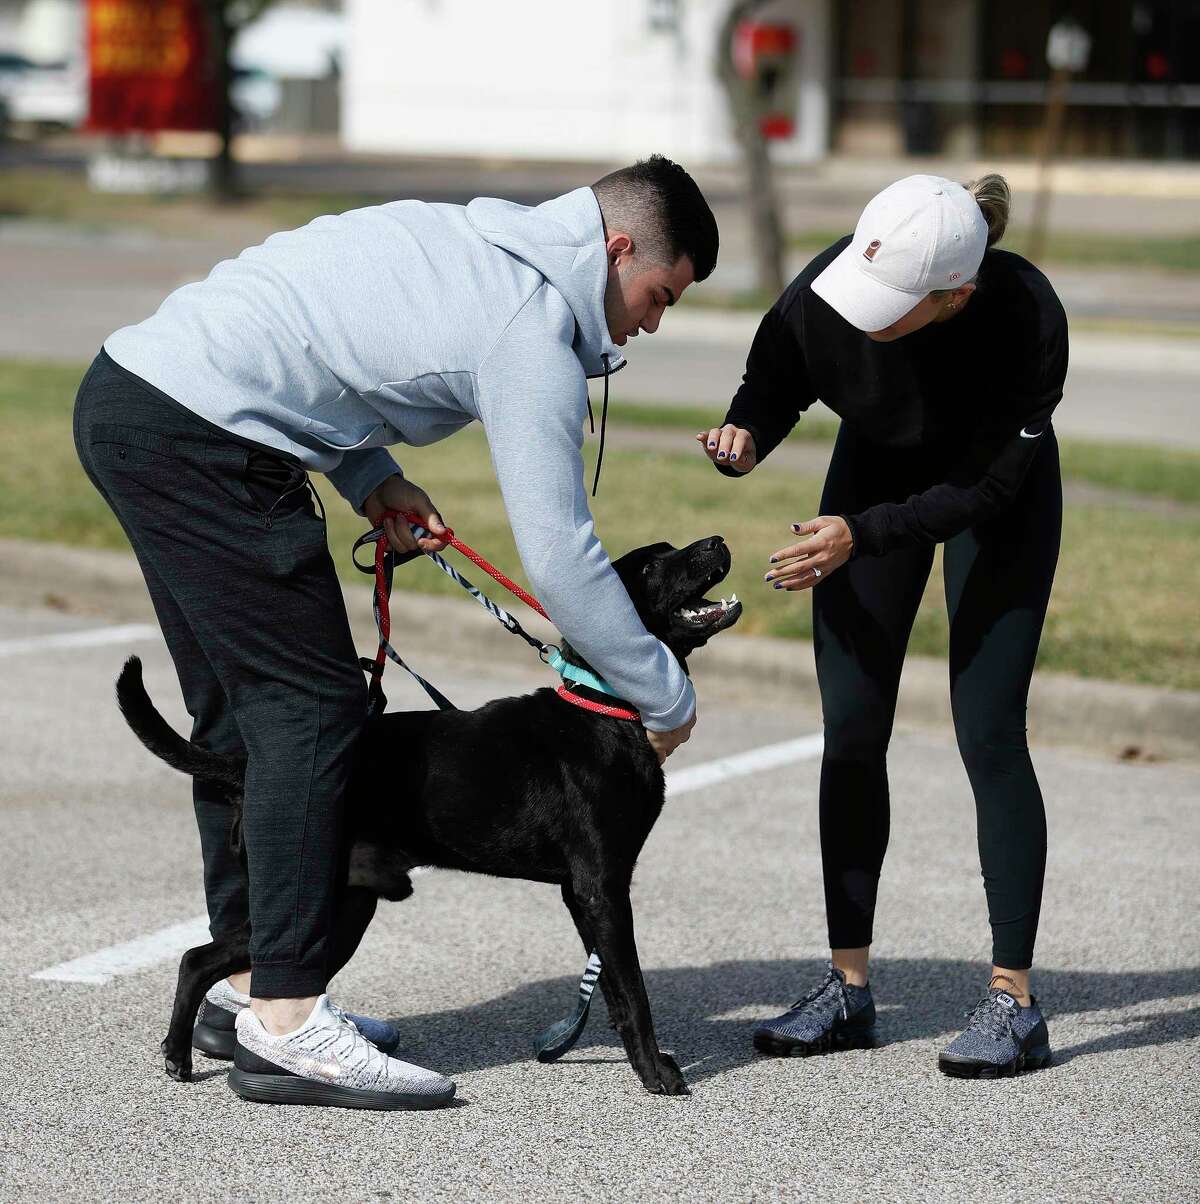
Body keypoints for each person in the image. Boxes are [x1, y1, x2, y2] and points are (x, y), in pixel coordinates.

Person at [74, 154, 718, 1110]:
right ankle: (287, 1024)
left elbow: (319, 339)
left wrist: (369, 475)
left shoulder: (471, 236)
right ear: (618, 249)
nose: (652, 323)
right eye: (659, 295)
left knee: (248, 718)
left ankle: (249, 988)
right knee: (309, 711)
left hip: (135, 398)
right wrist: (664, 694)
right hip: (204, 438)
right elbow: (562, 560)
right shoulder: (530, 328)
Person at [699, 174, 1064, 1078]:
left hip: (994, 497)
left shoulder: (1024, 317)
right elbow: (777, 370)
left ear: (953, 297)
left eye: (891, 304)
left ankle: (1014, 1001)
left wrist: (861, 535)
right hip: (872, 471)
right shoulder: (835, 284)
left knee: (989, 732)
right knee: (853, 728)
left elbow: (983, 488)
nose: (863, 316)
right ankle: (847, 987)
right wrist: (747, 431)